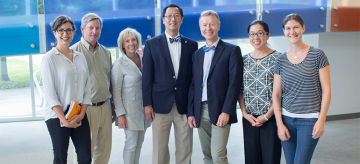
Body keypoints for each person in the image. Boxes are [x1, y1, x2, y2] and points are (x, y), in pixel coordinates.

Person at [142, 4, 198, 164]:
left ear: (181, 19)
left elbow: (194, 78)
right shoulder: (151, 44)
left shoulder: (192, 45)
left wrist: (192, 106)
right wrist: (147, 104)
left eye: (176, 16)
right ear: (164, 19)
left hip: (184, 105)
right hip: (159, 106)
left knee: (185, 148)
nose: (172, 19)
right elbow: (146, 77)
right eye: (169, 16)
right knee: (159, 150)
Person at [272, 13, 331, 164]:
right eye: (288, 28)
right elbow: (277, 94)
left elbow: (327, 90)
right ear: (284, 31)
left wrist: (321, 120)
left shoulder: (318, 55)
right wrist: (279, 124)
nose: (292, 32)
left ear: (303, 28)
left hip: (309, 120)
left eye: (296, 27)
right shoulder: (280, 60)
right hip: (286, 119)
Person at [187, 10, 243, 164]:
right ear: (200, 28)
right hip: (200, 110)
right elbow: (193, 84)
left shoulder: (232, 51)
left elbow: (234, 83)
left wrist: (227, 111)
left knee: (218, 155)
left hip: (220, 109)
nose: (208, 28)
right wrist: (191, 112)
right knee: (207, 155)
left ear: (218, 26)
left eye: (212, 24)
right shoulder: (197, 54)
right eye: (204, 25)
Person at [41, 15, 92, 164]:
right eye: (61, 30)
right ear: (54, 32)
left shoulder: (80, 57)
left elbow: (87, 88)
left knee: (85, 158)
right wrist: (64, 121)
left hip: (78, 114)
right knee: (60, 158)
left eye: (69, 30)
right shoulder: (49, 58)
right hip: (57, 117)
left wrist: (82, 114)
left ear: (74, 32)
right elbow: (50, 94)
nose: (65, 34)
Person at [71, 13, 115, 164]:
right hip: (86, 109)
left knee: (104, 150)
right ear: (82, 29)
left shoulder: (106, 52)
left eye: (97, 28)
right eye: (90, 28)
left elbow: (110, 80)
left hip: (105, 107)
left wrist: (113, 107)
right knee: (85, 152)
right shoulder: (73, 53)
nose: (94, 31)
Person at [238, 20, 282, 164]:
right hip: (249, 118)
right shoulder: (243, 60)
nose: (255, 37)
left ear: (268, 35)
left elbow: (281, 92)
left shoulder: (279, 59)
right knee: (251, 158)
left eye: (260, 33)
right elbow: (240, 89)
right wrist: (245, 113)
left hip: (271, 117)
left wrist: (267, 116)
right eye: (252, 34)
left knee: (271, 158)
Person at [112, 28, 151, 164]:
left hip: (144, 110)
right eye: (127, 41)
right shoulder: (119, 64)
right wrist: (120, 114)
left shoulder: (144, 59)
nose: (131, 43)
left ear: (138, 42)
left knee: (139, 144)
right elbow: (116, 92)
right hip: (129, 112)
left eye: (133, 40)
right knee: (131, 144)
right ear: (122, 45)